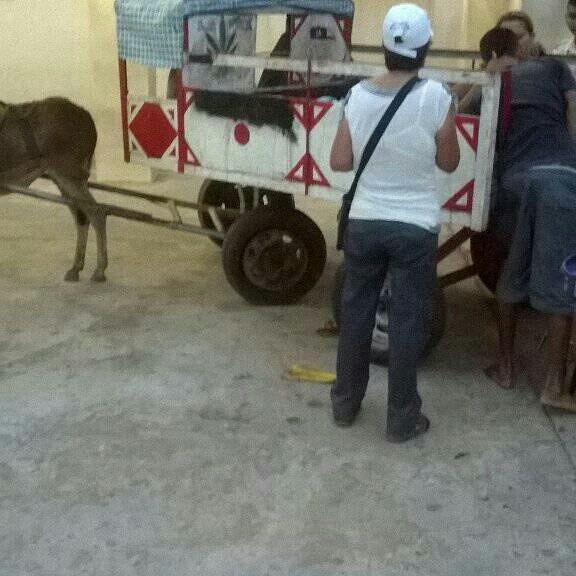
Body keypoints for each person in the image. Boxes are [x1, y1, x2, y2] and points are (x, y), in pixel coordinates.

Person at [329, 4, 460, 442]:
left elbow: (340, 160)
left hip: (365, 223)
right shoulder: (437, 97)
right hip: (414, 227)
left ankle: (345, 406)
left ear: (385, 47)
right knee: (406, 322)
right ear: (425, 49)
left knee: (355, 316)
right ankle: (402, 420)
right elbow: (448, 162)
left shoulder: (356, 95)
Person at [480, 29, 576, 412]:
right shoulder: (554, 67)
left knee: (511, 272)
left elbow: (465, 116)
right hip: (559, 177)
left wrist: (487, 74)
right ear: (516, 48)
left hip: (515, 182)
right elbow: (573, 115)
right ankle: (554, 386)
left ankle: (505, 368)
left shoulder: (493, 78)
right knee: (562, 285)